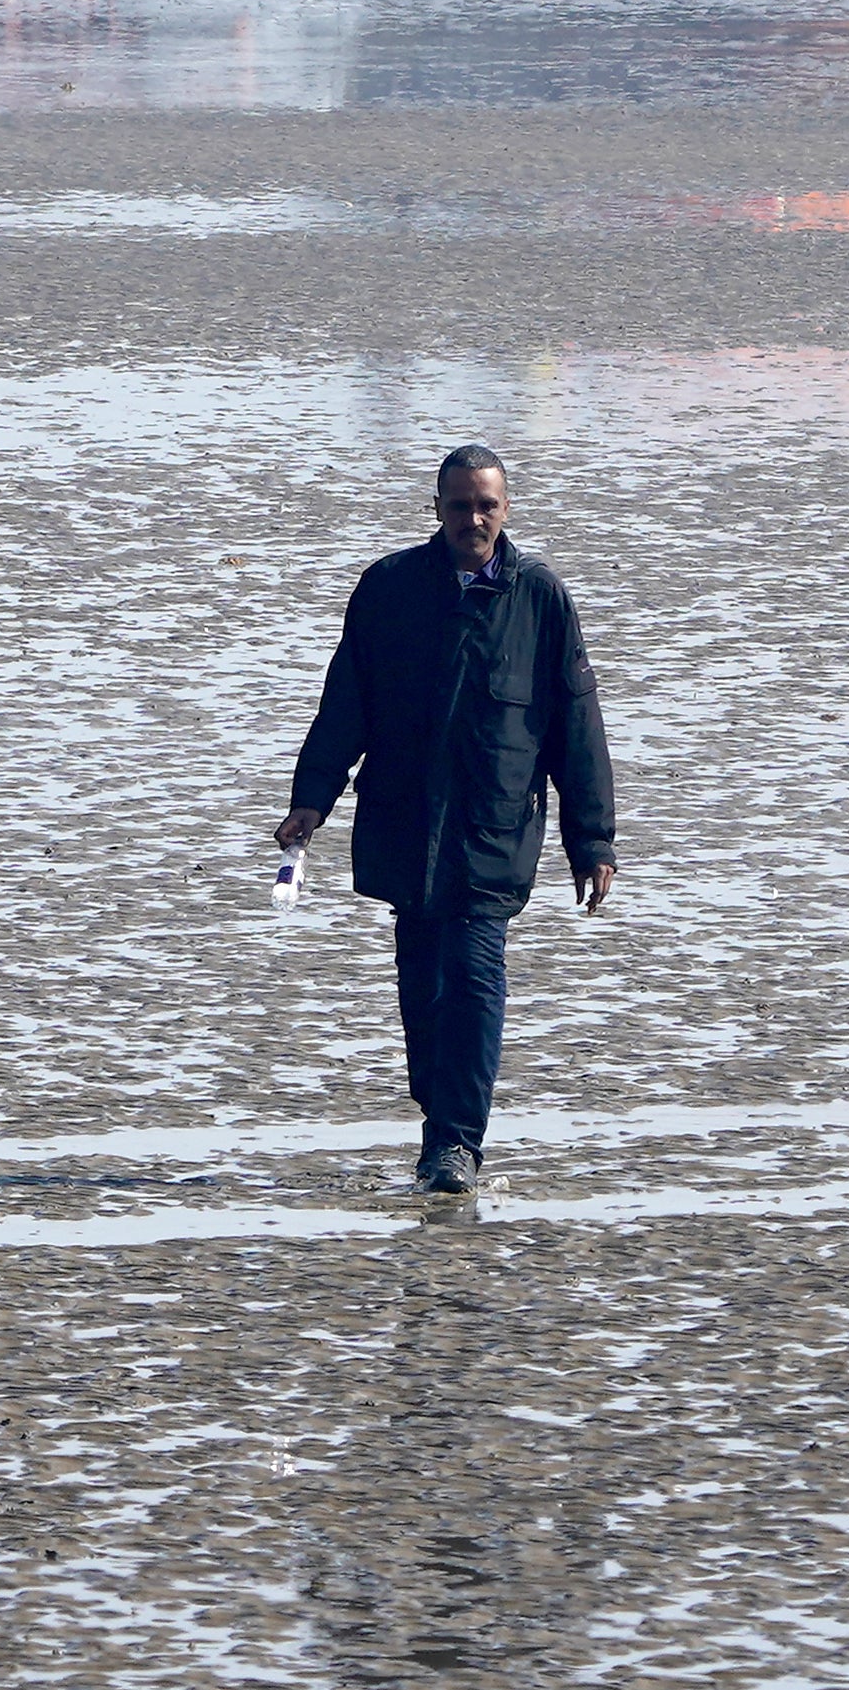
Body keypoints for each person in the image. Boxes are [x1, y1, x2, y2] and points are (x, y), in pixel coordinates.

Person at [278, 445, 620, 1194]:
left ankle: (455, 1143)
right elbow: (346, 702)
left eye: (485, 504)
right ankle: (442, 1118)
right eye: (459, 504)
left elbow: (577, 726)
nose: (473, 518)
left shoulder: (539, 597)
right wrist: (312, 797)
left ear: (506, 508)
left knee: (472, 974)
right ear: (436, 508)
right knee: (422, 982)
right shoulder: (389, 588)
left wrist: (590, 839)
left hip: (493, 826)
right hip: (403, 820)